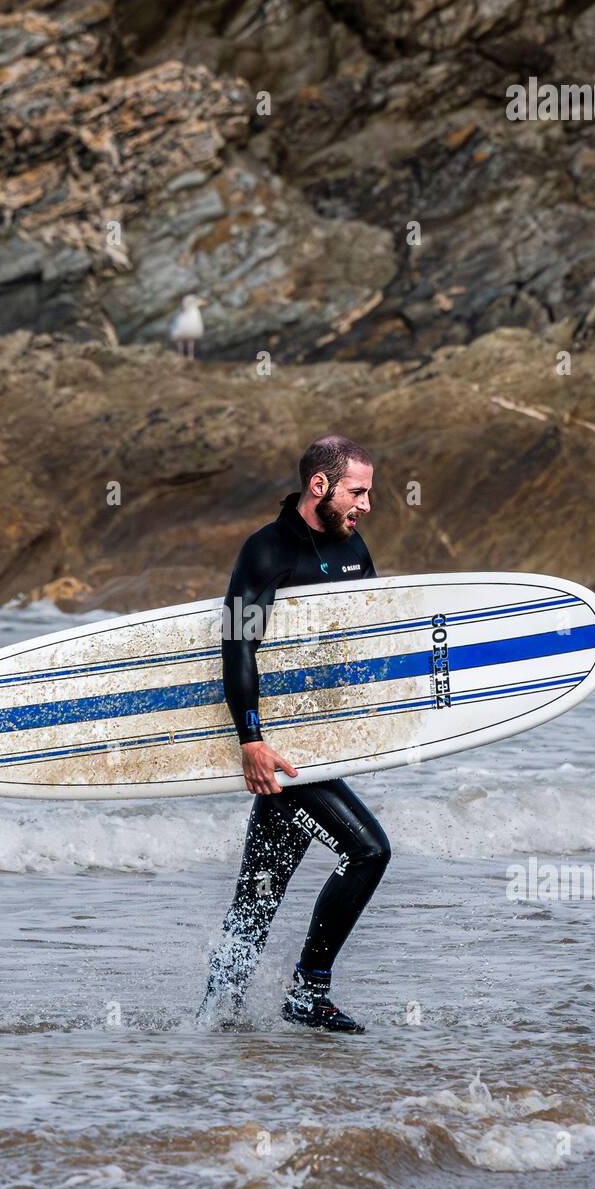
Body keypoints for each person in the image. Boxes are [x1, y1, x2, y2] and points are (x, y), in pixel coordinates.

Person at [199, 435, 391, 1033]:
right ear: (320, 486)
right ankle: (308, 990)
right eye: (358, 491)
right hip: (279, 749)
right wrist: (250, 740)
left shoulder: (353, 548)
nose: (366, 504)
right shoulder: (267, 549)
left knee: (257, 898)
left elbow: (364, 635)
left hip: (319, 741)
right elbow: (238, 644)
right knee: (368, 852)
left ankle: (214, 1024)